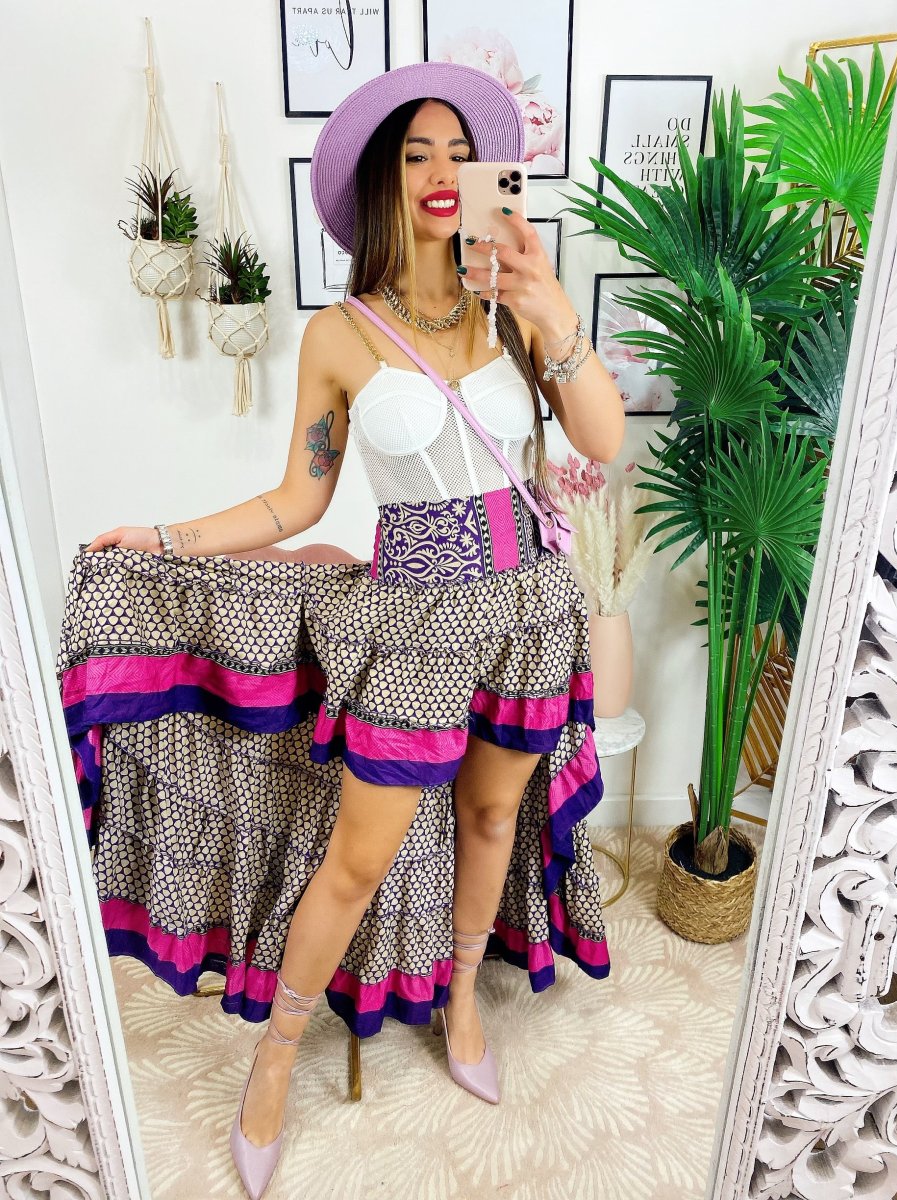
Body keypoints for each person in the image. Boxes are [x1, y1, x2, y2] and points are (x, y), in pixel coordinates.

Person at [69, 61, 624, 1200]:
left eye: (458, 152)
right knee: (358, 859)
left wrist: (553, 312)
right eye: (416, 154)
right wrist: (164, 537)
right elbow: (298, 502)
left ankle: (462, 999)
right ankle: (276, 1057)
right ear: (382, 180)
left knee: (490, 815)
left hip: (528, 604)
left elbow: (602, 440)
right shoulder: (341, 334)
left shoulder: (515, 304)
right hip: (412, 618)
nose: (441, 172)